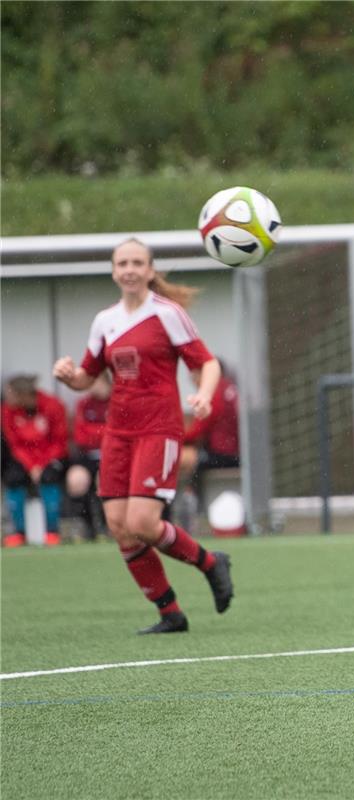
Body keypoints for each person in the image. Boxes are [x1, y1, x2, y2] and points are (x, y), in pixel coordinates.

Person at [53, 237, 234, 634]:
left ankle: (210, 562)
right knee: (119, 525)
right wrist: (70, 376)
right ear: (114, 271)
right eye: (123, 263)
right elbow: (88, 376)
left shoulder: (167, 314)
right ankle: (170, 613)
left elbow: (208, 363)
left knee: (142, 522)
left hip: (159, 430)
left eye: (138, 262)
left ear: (150, 271)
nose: (130, 270)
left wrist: (203, 395)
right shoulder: (105, 320)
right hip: (118, 432)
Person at [1, 374, 69, 547]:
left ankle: (52, 532)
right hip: (25, 460)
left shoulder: (52, 405)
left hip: (52, 457)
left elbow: (59, 441)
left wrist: (43, 464)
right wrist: (31, 466)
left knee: (49, 477)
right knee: (13, 478)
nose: (7, 398)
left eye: (11, 394)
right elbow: (15, 444)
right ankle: (18, 533)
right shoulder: (7, 411)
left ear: (23, 395)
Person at [175, 358, 240, 529]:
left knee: (182, 459)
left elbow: (199, 430)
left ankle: (190, 505)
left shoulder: (214, 393)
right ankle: (190, 503)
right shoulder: (228, 387)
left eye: (195, 376)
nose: (194, 381)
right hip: (234, 452)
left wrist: (172, 438)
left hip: (224, 455)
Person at [66, 370, 111, 541]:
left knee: (106, 480)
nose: (92, 386)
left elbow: (120, 433)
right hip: (87, 456)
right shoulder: (83, 404)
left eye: (96, 381)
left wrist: (95, 432)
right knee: (76, 480)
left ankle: (109, 527)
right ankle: (89, 527)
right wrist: (104, 432)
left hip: (112, 455)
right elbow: (80, 435)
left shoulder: (118, 402)